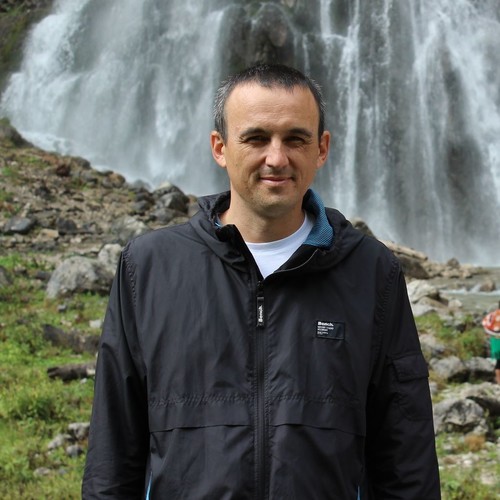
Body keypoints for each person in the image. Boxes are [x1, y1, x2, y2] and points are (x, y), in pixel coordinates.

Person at [82, 63, 441, 499]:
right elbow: (112, 456)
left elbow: (406, 459)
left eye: (295, 139)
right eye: (256, 138)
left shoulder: (372, 272)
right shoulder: (149, 268)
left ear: (322, 148)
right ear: (220, 147)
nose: (276, 158)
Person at [482, 303, 500, 384]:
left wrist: (491, 333)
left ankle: (499, 382)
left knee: (498, 362)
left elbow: (485, 323)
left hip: (495, 341)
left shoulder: (493, 314)